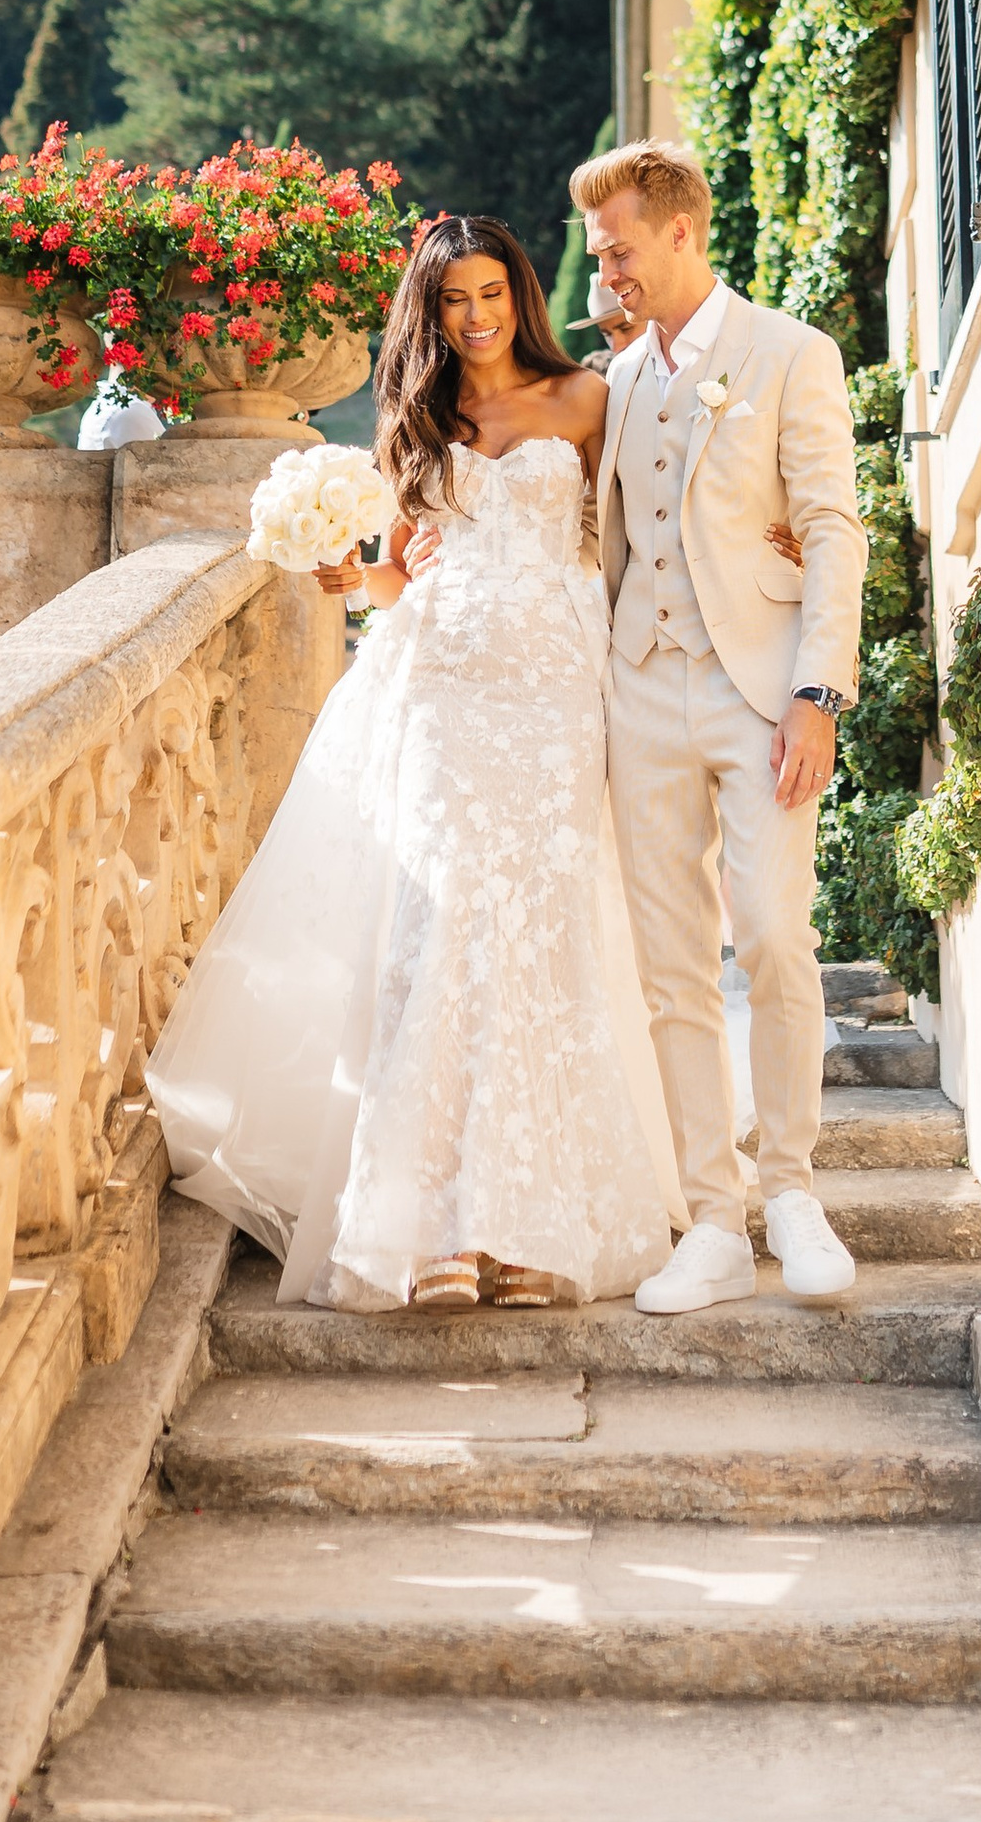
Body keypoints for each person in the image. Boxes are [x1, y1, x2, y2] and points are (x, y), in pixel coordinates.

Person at [147, 214, 676, 1313]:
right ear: (427, 313)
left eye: (491, 294)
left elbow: (642, 536)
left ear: (518, 296)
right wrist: (359, 585)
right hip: (438, 686)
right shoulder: (414, 418)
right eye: (452, 301)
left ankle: (529, 1228)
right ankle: (429, 1227)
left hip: (551, 697)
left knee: (539, 929)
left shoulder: (588, 400)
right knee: (438, 929)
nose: (475, 318)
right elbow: (402, 571)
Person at [575, 136, 869, 1312]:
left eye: (619, 248)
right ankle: (710, 1216)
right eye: (600, 252)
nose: (605, 270)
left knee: (774, 935)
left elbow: (832, 527)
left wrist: (818, 692)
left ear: (683, 231)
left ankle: (790, 1190)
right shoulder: (617, 378)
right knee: (668, 968)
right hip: (636, 691)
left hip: (758, 691)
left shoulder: (790, 355)